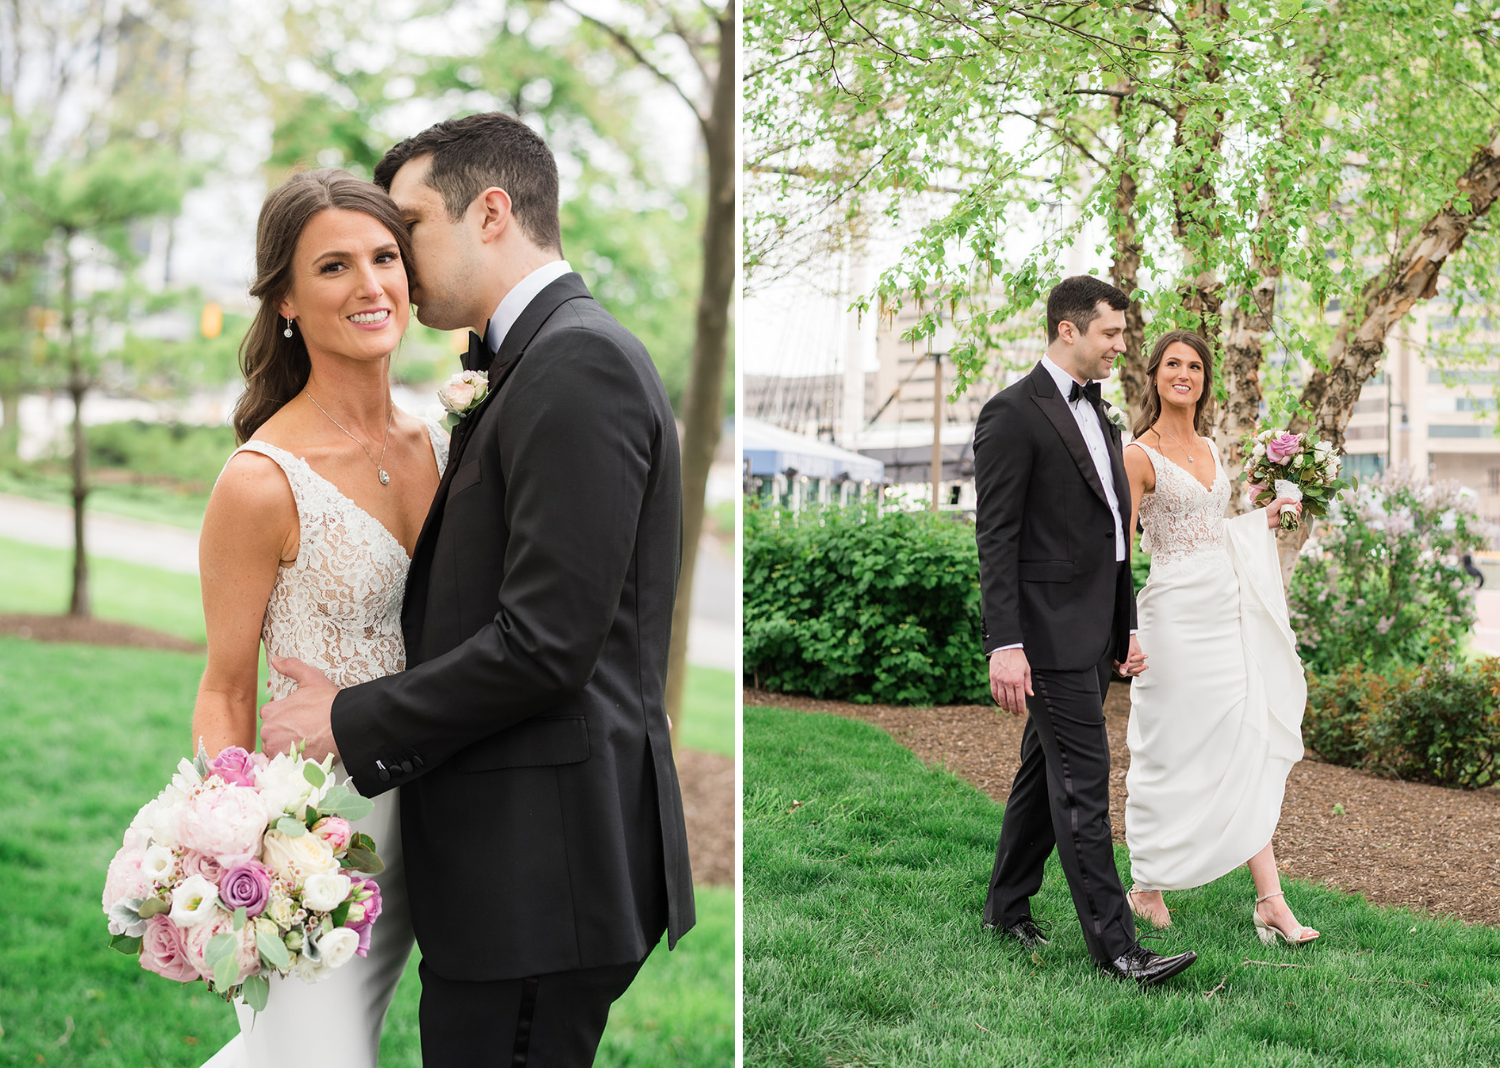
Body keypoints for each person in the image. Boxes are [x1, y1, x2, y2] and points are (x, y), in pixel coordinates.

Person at [258, 112, 695, 1067]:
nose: (395, 265)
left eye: (407, 229)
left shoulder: (576, 365)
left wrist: (348, 717)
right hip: (515, 867)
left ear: (490, 211)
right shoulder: (533, 361)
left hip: (542, 875)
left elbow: (545, 643)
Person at [193, 168, 439, 1065]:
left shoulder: (450, 443)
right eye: (334, 267)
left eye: (385, 257)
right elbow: (223, 685)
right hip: (323, 838)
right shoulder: (261, 481)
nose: (371, 286)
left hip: (454, 811)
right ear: (287, 299)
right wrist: (232, 851)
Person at [973, 274, 1199, 986]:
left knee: (1045, 773)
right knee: (1083, 785)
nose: (1121, 347)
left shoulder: (1101, 417)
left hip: (1093, 632)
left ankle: (1006, 907)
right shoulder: (1011, 414)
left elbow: (1115, 535)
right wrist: (1004, 644)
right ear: (1067, 330)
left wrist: (1124, 624)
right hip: (1043, 636)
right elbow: (996, 537)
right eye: (1111, 333)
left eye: (1123, 335)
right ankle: (1120, 950)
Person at [1121, 330, 1317, 945]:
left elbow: (1216, 529)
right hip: (1172, 616)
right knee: (1168, 746)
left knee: (1246, 740)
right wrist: (1121, 630)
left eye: (1196, 366)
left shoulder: (1210, 446)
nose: (1185, 374)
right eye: (1174, 364)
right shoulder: (1137, 455)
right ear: (1155, 376)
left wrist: (1268, 514)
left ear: (1206, 379)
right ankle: (1147, 885)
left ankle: (1271, 901)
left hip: (1225, 609)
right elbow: (1118, 551)